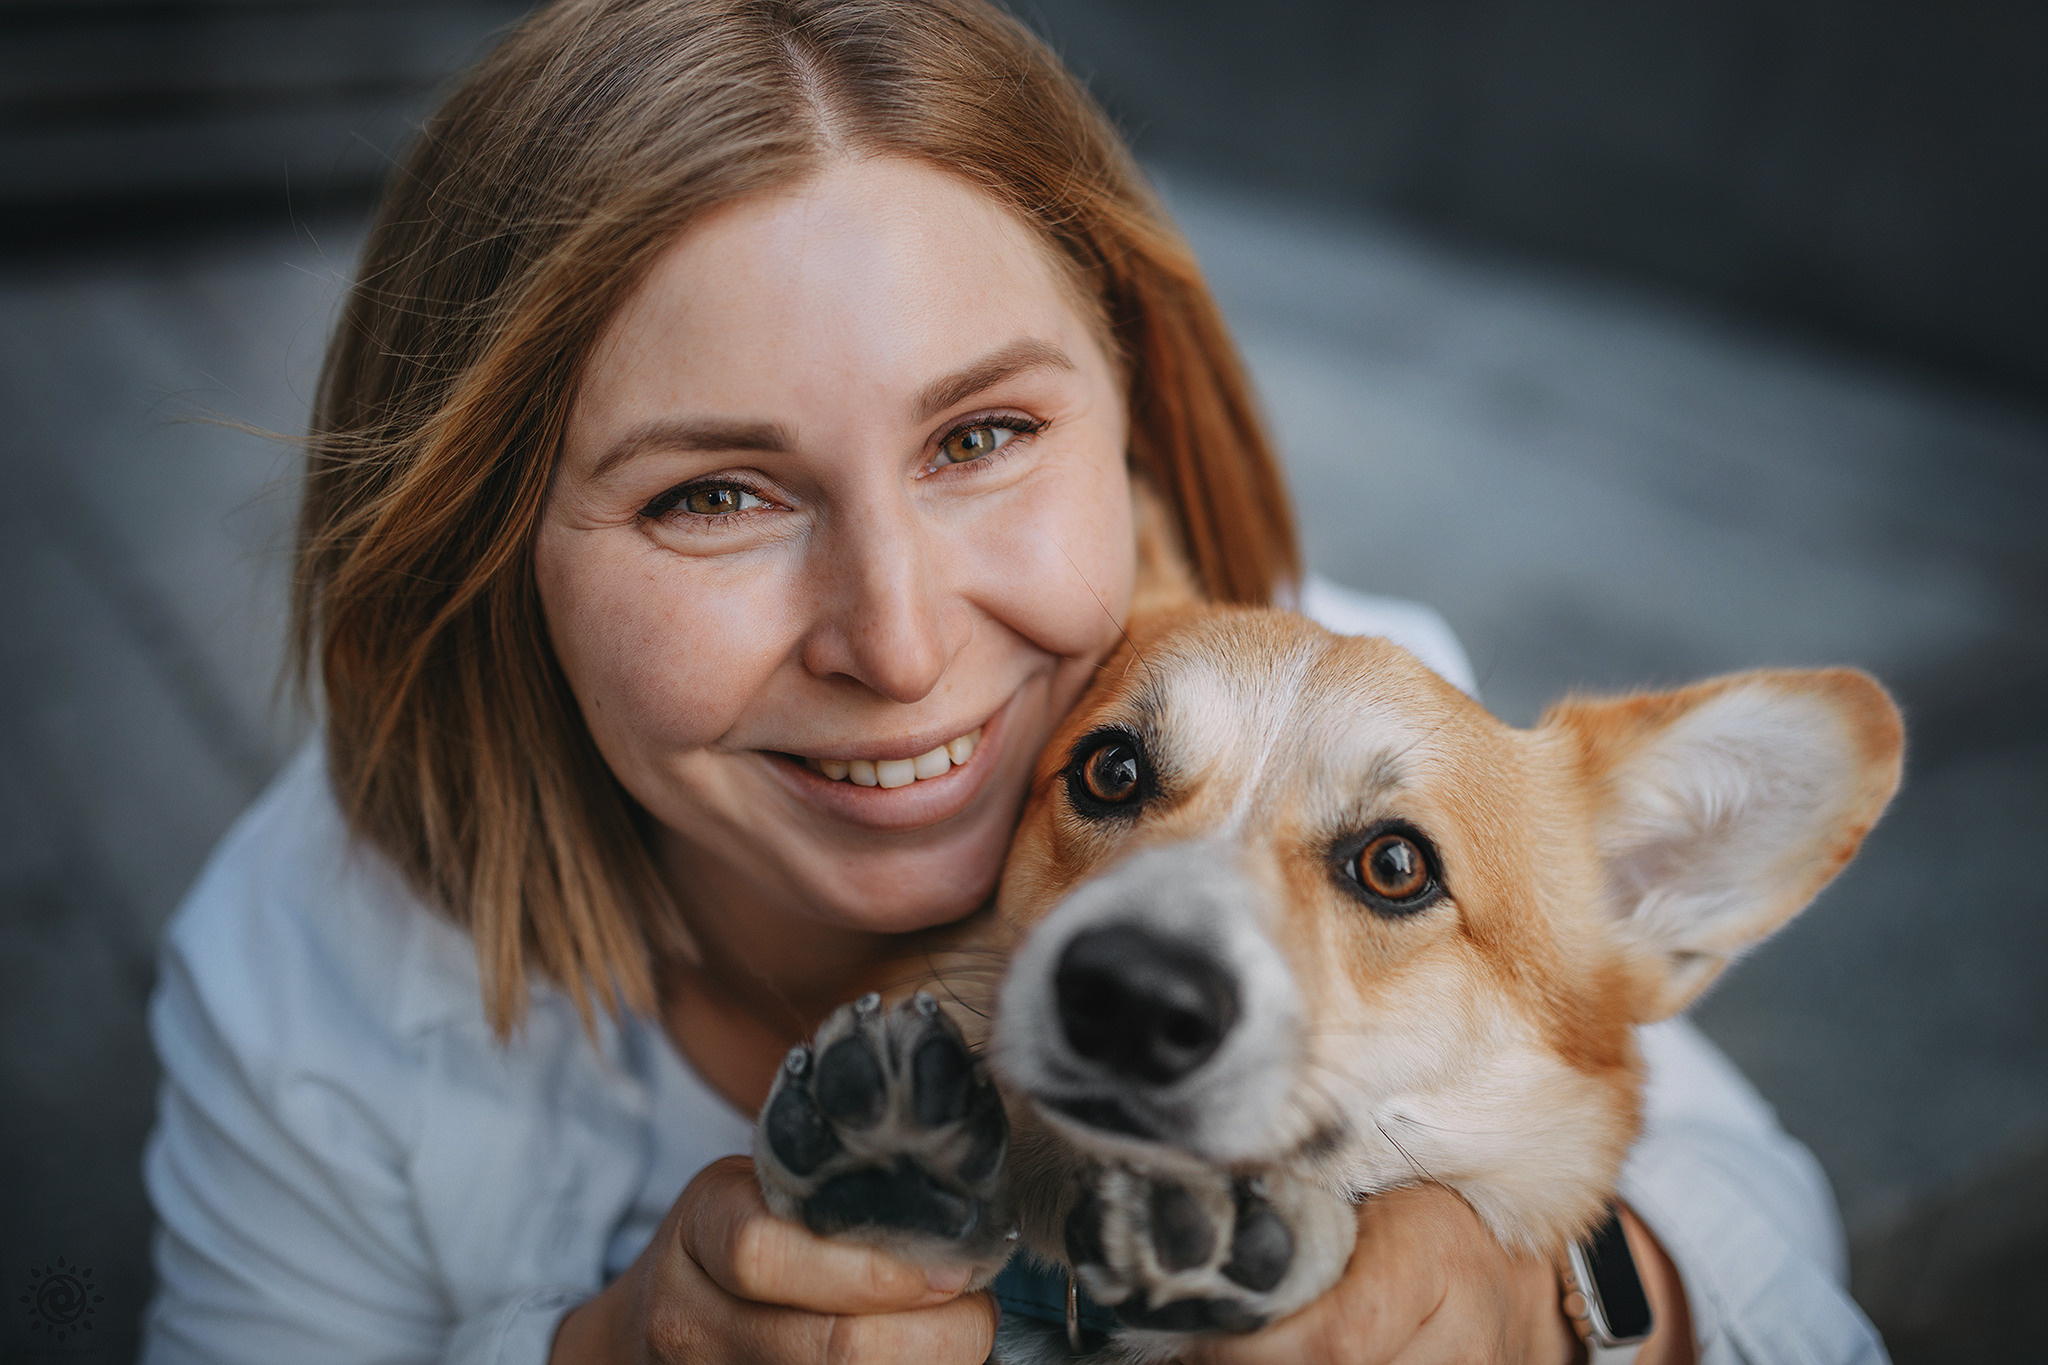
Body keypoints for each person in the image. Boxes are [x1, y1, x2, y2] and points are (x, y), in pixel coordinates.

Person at [139, 2, 1888, 1362]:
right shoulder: (317, 969)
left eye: (981, 435)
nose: (898, 645)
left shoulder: (1341, 680)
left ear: (1127, 446)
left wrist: (1557, 1300)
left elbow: (1762, 1240)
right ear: (481, 536)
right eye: (713, 493)